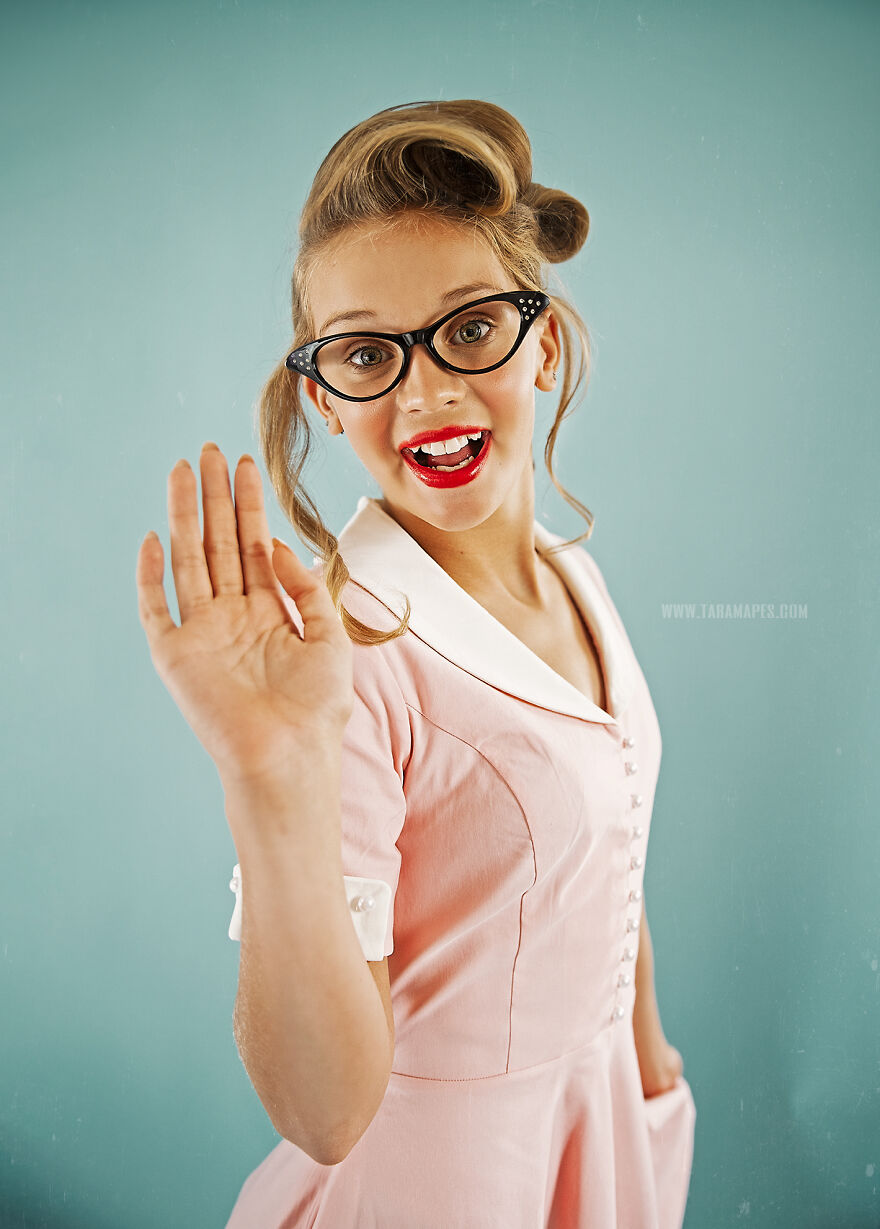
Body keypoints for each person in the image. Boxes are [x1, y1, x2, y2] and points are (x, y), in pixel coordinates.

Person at [136, 99, 697, 1228]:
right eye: (363, 353)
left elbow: (613, 862)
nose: (423, 391)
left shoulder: (572, 575)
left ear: (542, 338)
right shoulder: (347, 663)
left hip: (598, 1157)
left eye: (470, 327)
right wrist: (269, 776)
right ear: (322, 397)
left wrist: (651, 1081)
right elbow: (326, 1112)